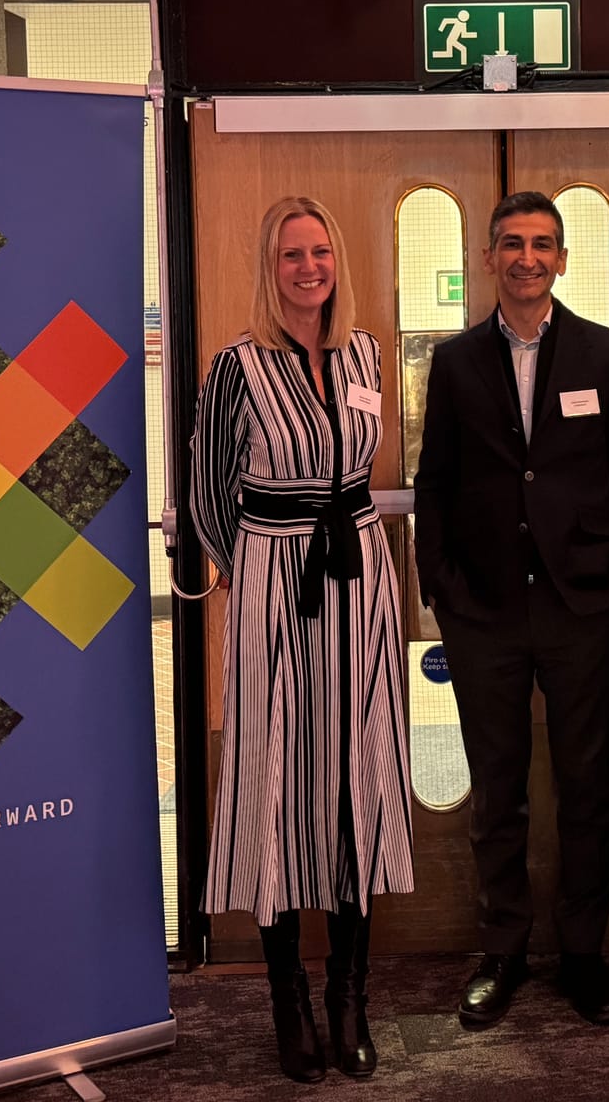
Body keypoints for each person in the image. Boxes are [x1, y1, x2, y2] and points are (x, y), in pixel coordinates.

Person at [413, 191, 609, 1030]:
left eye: (542, 244)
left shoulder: (606, 353)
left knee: (588, 787)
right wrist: (440, 583)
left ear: (562, 259)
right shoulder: (453, 362)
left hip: (582, 605)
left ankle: (584, 956)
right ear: (488, 258)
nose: (526, 258)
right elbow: (434, 481)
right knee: (498, 790)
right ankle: (503, 950)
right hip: (484, 611)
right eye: (511, 243)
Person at [189, 196, 414, 1084]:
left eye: (321, 251)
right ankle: (287, 996)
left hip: (359, 582)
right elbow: (209, 499)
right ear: (269, 266)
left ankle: (349, 997)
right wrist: (255, 576)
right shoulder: (236, 368)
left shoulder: (365, 354)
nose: (309, 267)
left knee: (356, 776)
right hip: (275, 587)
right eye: (292, 255)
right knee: (276, 783)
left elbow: (364, 465)